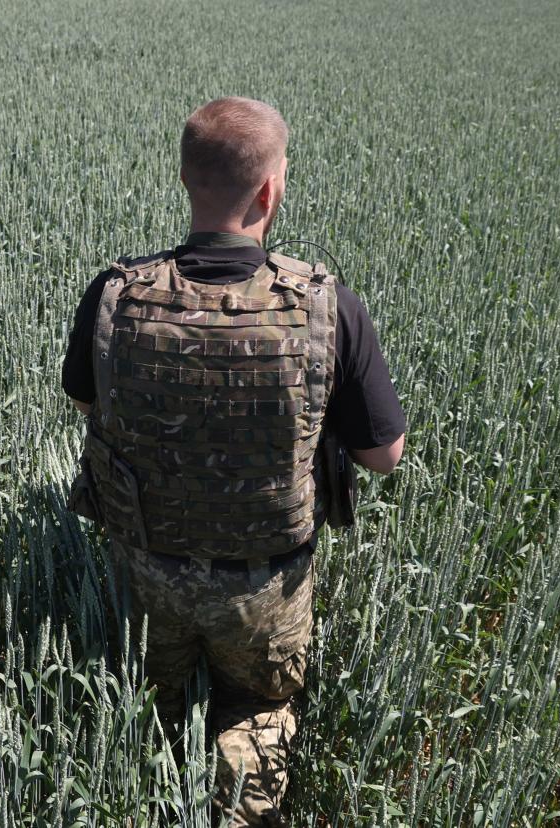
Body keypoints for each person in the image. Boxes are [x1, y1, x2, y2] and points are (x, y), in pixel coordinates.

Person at [61, 96, 405, 826]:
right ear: (271, 190)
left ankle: (140, 798)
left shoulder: (116, 294)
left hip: (145, 569)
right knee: (256, 704)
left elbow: (93, 408)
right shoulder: (328, 306)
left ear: (186, 181)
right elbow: (383, 456)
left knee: (142, 709)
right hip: (264, 589)